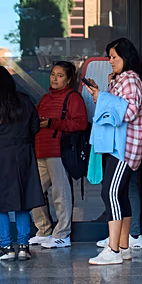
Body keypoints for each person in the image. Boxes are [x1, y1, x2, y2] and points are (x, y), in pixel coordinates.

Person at [85, 38, 142, 265]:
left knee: (109, 193)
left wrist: (102, 98)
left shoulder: (130, 79)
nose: (110, 61)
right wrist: (102, 94)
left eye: (114, 56)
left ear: (125, 57)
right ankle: (123, 246)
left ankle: (113, 250)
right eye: (109, 56)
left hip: (124, 146)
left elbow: (128, 112)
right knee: (120, 194)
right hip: (122, 145)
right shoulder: (123, 79)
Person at [0, 66, 44, 261]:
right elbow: (35, 127)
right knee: (23, 202)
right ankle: (23, 246)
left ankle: (6, 247)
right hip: (23, 156)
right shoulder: (24, 100)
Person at [29, 61, 87, 249]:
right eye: (53, 74)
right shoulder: (45, 98)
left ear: (69, 79)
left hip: (58, 151)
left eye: (60, 75)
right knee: (34, 192)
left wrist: (54, 123)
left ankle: (62, 234)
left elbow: (80, 123)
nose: (54, 78)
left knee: (60, 194)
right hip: (40, 151)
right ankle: (44, 230)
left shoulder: (73, 98)